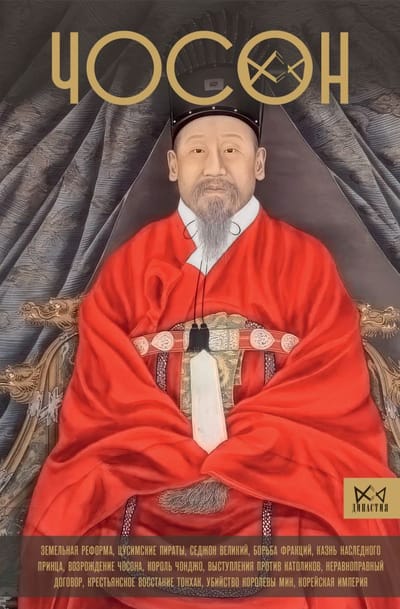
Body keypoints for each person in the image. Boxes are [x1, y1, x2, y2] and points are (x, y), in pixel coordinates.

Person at [20, 47, 399, 609]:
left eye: (232, 149)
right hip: (146, 466)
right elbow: (105, 385)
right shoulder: (131, 264)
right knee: (64, 518)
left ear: (259, 163)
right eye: (197, 149)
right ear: (174, 165)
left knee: (370, 508)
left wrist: (238, 454)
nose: (215, 166)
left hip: (280, 471)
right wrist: (173, 452)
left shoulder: (305, 261)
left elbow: (330, 382)